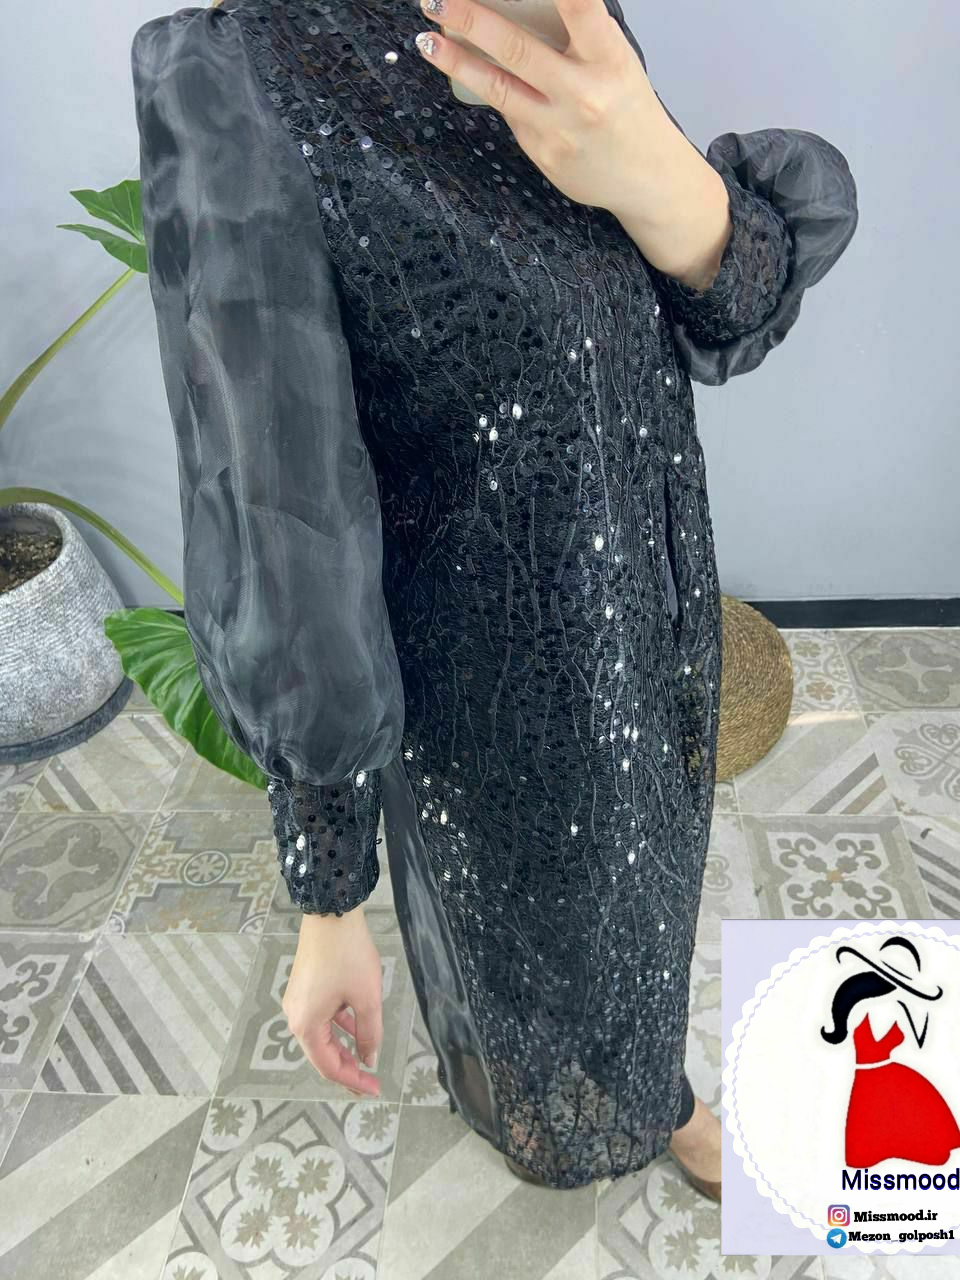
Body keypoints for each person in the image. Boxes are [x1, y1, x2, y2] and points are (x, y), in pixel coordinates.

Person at [131, 0, 858, 1197]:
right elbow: (275, 501)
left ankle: (652, 1084)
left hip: (656, 607)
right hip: (489, 681)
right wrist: (328, 894)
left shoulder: (563, 13)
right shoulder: (239, 71)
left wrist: (664, 176)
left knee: (642, 909)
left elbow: (713, 311)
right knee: (536, 952)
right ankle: (576, 1104)